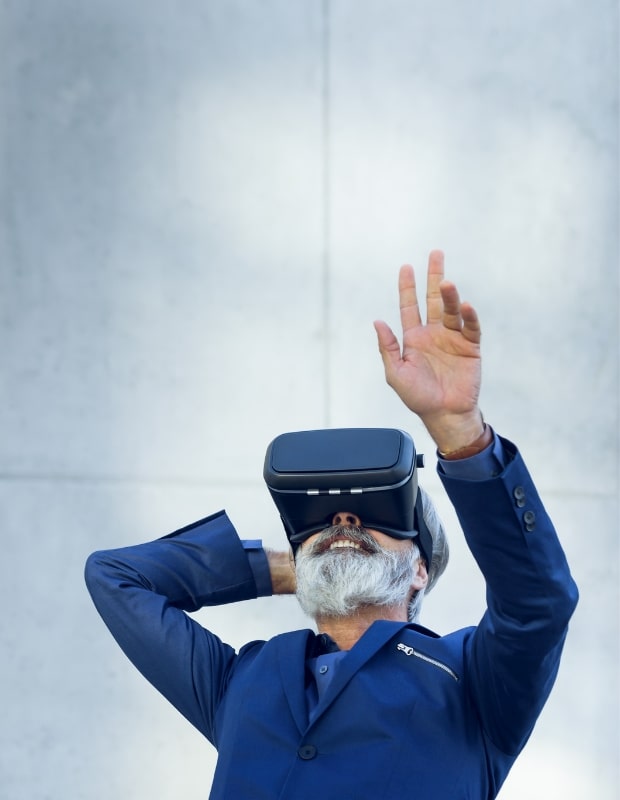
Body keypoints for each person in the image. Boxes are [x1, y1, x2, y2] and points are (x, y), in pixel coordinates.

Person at [85, 250, 578, 799]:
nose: (344, 520)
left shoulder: (472, 681)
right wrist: (292, 566)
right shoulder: (240, 681)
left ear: (419, 569)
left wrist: (460, 433)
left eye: (377, 519)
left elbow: (538, 605)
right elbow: (116, 578)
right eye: (322, 521)